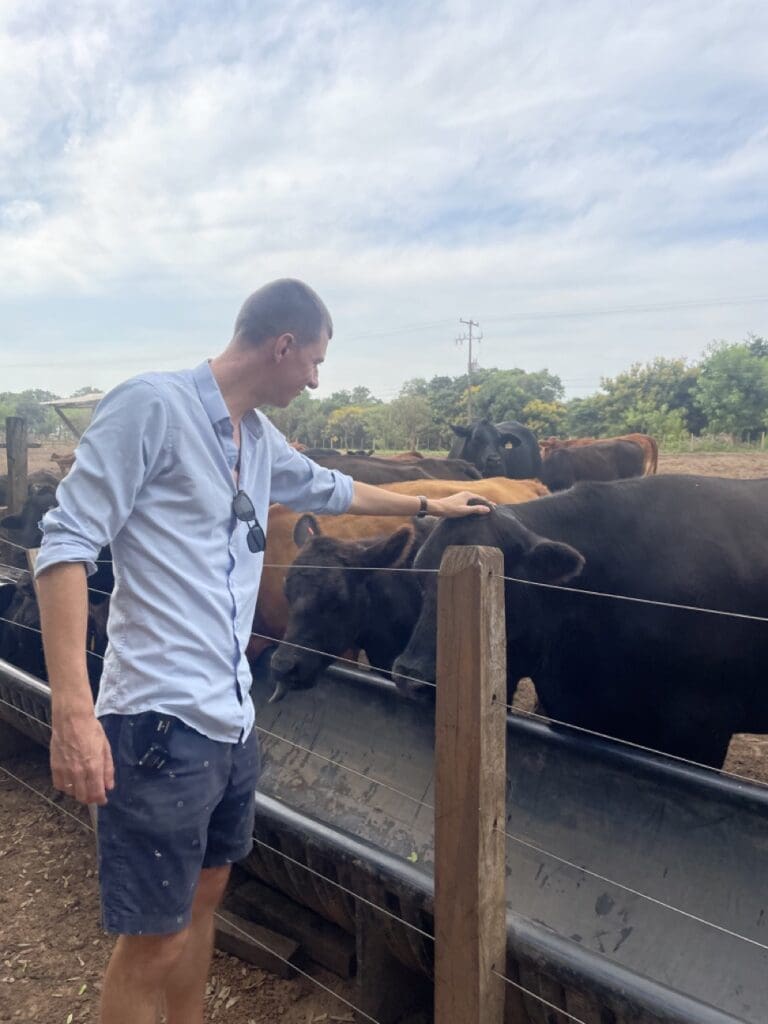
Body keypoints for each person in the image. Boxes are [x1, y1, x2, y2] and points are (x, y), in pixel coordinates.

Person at [35, 278, 490, 1024]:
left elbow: (333, 490)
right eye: (312, 361)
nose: (314, 379)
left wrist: (428, 505)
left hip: (230, 717)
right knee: (152, 937)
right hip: (156, 720)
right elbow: (63, 545)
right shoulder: (152, 405)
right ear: (281, 346)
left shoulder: (256, 437)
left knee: (206, 899)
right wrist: (72, 715)